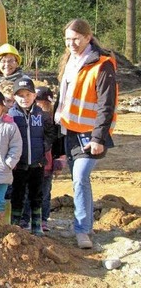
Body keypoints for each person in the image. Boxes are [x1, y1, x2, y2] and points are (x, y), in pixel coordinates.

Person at [54, 19, 117, 249]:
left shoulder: (102, 65)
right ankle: (86, 225)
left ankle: (82, 230)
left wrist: (98, 138)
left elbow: (106, 106)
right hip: (69, 132)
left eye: (76, 39)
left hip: (90, 134)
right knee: (79, 181)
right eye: (67, 39)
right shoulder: (69, 61)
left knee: (80, 177)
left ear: (88, 37)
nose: (71, 43)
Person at [9, 77, 56, 236]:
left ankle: (36, 224)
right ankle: (15, 223)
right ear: (14, 97)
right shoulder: (10, 116)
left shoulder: (42, 115)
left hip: (37, 162)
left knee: (37, 194)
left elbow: (51, 132)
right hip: (19, 163)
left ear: (34, 96)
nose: (24, 98)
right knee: (18, 193)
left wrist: (44, 147)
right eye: (20, 95)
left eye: (28, 95)